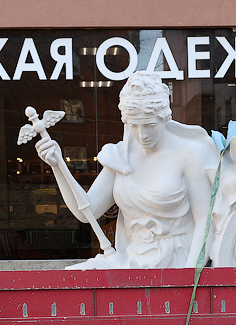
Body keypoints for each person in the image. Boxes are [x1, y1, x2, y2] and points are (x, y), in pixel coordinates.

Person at [35, 71, 219, 269]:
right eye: (134, 126)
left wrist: (190, 275)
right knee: (78, 276)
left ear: (164, 118)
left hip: (176, 260)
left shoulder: (190, 154)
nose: (142, 135)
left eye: (149, 125)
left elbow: (205, 222)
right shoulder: (120, 156)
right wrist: (58, 167)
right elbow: (87, 211)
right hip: (131, 257)